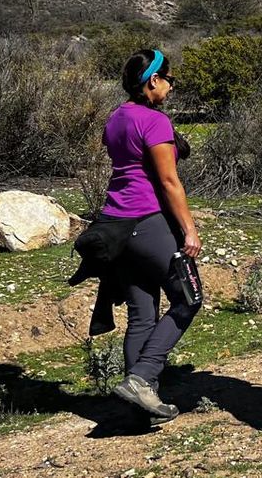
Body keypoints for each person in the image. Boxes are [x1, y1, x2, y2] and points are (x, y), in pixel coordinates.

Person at [105, 49, 202, 424]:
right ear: (153, 80)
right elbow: (167, 181)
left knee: (142, 315)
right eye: (169, 78)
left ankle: (140, 406)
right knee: (189, 299)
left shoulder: (116, 117)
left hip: (115, 223)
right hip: (148, 221)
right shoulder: (154, 121)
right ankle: (142, 378)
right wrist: (189, 229)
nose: (172, 85)